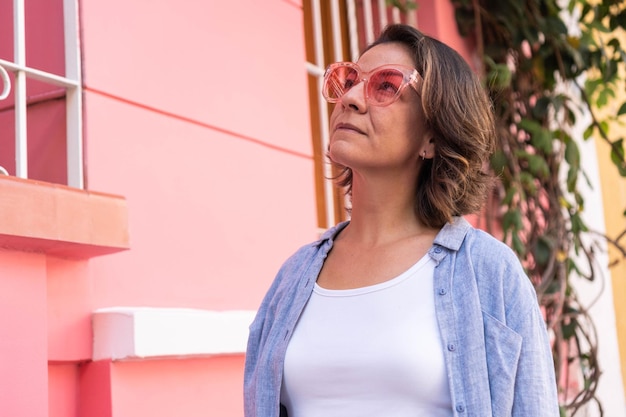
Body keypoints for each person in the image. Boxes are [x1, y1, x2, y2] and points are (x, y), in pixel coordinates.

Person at [244, 23, 559, 417]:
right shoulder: (292, 279)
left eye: (386, 86)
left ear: (432, 136)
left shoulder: (489, 274)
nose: (351, 99)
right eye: (349, 80)